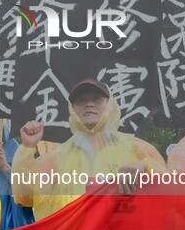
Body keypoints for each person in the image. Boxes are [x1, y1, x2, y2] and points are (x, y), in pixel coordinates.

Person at [12, 78, 167, 221]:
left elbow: (170, 188)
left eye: (97, 99)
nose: (89, 104)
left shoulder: (137, 148)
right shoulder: (56, 157)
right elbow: (24, 197)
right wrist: (27, 147)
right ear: (72, 109)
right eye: (81, 101)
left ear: (110, 104)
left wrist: (146, 166)